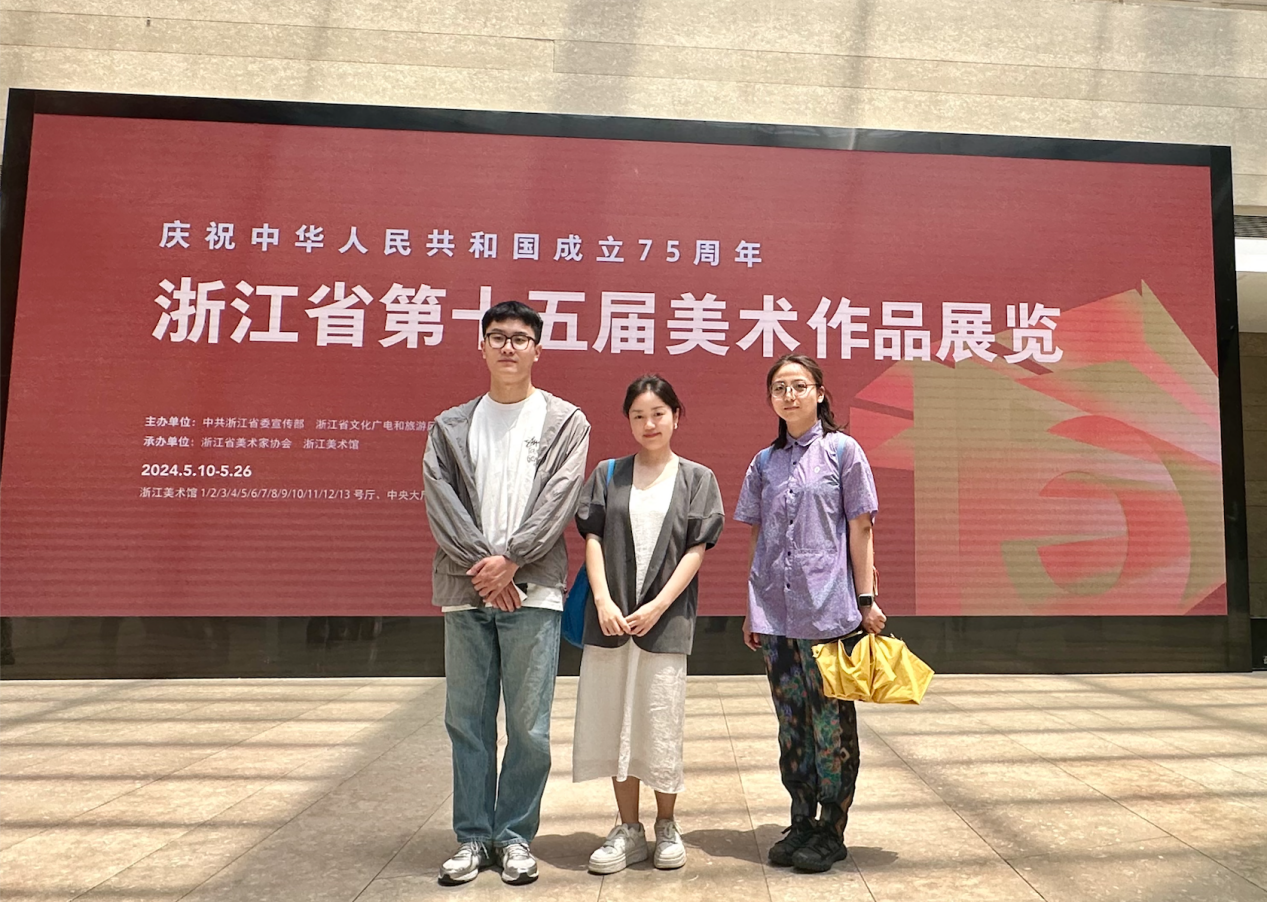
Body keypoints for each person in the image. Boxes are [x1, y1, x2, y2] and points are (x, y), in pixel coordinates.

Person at [422, 301, 591, 886]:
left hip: (533, 591)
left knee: (529, 727)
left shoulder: (566, 422)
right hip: (466, 589)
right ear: (482, 346)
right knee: (467, 722)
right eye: (497, 337)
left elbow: (559, 498)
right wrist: (486, 570)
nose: (508, 347)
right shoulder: (450, 425)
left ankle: (515, 836)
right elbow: (440, 500)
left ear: (538, 350)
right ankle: (473, 837)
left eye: (520, 338)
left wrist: (513, 561)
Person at [733, 353, 884, 874]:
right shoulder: (764, 463)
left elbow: (861, 528)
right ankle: (800, 819)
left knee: (831, 728)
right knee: (791, 725)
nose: (790, 395)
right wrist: (751, 608)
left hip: (829, 614)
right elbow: (758, 536)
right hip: (775, 615)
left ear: (820, 393)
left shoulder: (844, 452)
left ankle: (831, 828)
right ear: (771, 399)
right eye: (780, 388)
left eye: (799, 386)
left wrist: (866, 599)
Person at [572, 375, 724, 875]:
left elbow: (696, 549)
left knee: (660, 720)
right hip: (611, 619)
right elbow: (593, 538)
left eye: (658, 413)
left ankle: (666, 824)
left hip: (666, 619)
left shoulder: (697, 478)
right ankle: (628, 828)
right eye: (638, 415)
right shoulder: (608, 473)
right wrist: (602, 600)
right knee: (615, 719)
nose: (649, 424)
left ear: (676, 416)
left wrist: (658, 605)